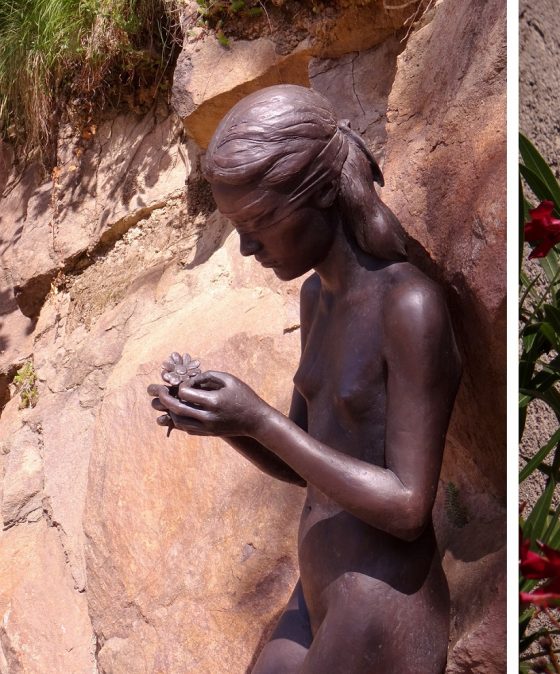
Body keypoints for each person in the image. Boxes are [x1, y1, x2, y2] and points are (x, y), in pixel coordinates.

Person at [148, 84, 461, 673]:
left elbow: (408, 506)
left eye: (260, 220)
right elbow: (304, 460)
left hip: (379, 604)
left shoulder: (409, 305)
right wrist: (226, 422)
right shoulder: (316, 298)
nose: (244, 247)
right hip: (315, 594)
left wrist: (259, 419)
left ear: (318, 194)